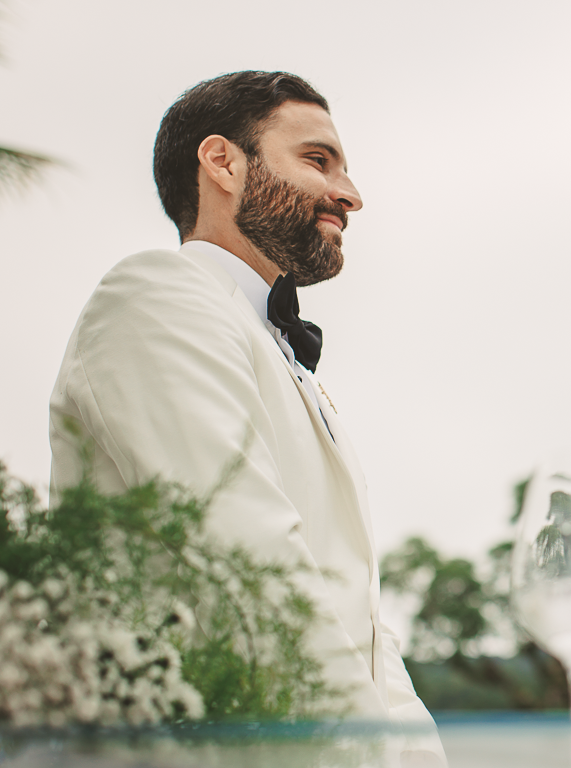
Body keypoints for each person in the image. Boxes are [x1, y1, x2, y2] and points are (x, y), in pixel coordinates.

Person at [49, 72, 443, 746]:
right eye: (318, 160)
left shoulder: (276, 350)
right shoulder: (156, 296)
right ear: (223, 162)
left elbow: (367, 634)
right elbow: (253, 569)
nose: (350, 193)